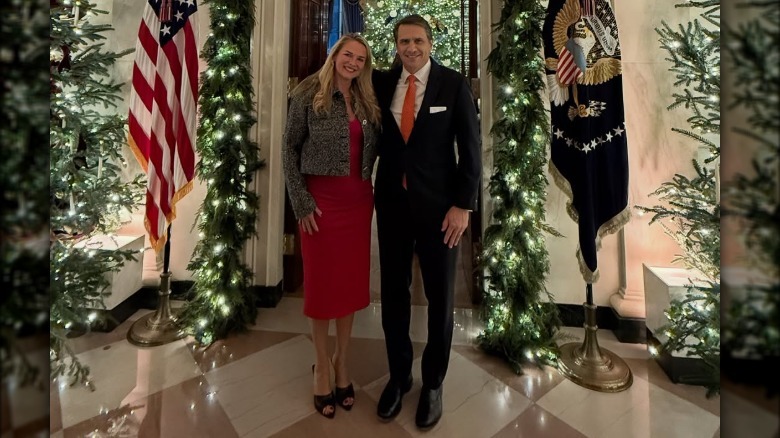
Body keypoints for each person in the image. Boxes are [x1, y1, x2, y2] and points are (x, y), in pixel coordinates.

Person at [372, 15, 481, 429]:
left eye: (417, 40)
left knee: (440, 298)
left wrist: (463, 205)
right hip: (393, 206)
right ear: (396, 45)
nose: (410, 48)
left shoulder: (453, 85)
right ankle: (399, 377)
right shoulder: (383, 84)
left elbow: (471, 150)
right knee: (394, 294)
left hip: (441, 212)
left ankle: (433, 382)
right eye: (403, 41)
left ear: (430, 43)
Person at [282, 33, 381, 419]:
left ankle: (343, 362)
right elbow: (289, 148)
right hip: (319, 205)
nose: (353, 62)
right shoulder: (309, 91)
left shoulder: (366, 97)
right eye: (347, 55)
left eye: (360, 58)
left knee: (351, 285)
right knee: (323, 288)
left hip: (358, 202)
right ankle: (321, 365)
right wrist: (301, 201)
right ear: (334, 55)